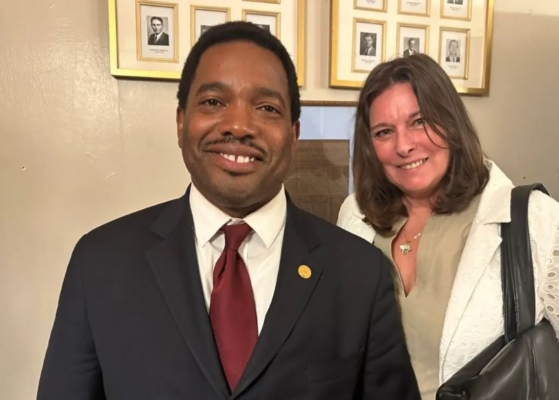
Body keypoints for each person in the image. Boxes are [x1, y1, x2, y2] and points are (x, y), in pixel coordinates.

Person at [37, 21, 420, 400]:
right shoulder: (100, 263)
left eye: (267, 107)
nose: (238, 125)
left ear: (293, 134)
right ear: (181, 122)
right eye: (213, 102)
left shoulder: (360, 274)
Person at [337, 53, 559, 399]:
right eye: (384, 132)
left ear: (450, 122)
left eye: (419, 121)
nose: (404, 145)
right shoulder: (355, 216)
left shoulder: (535, 220)